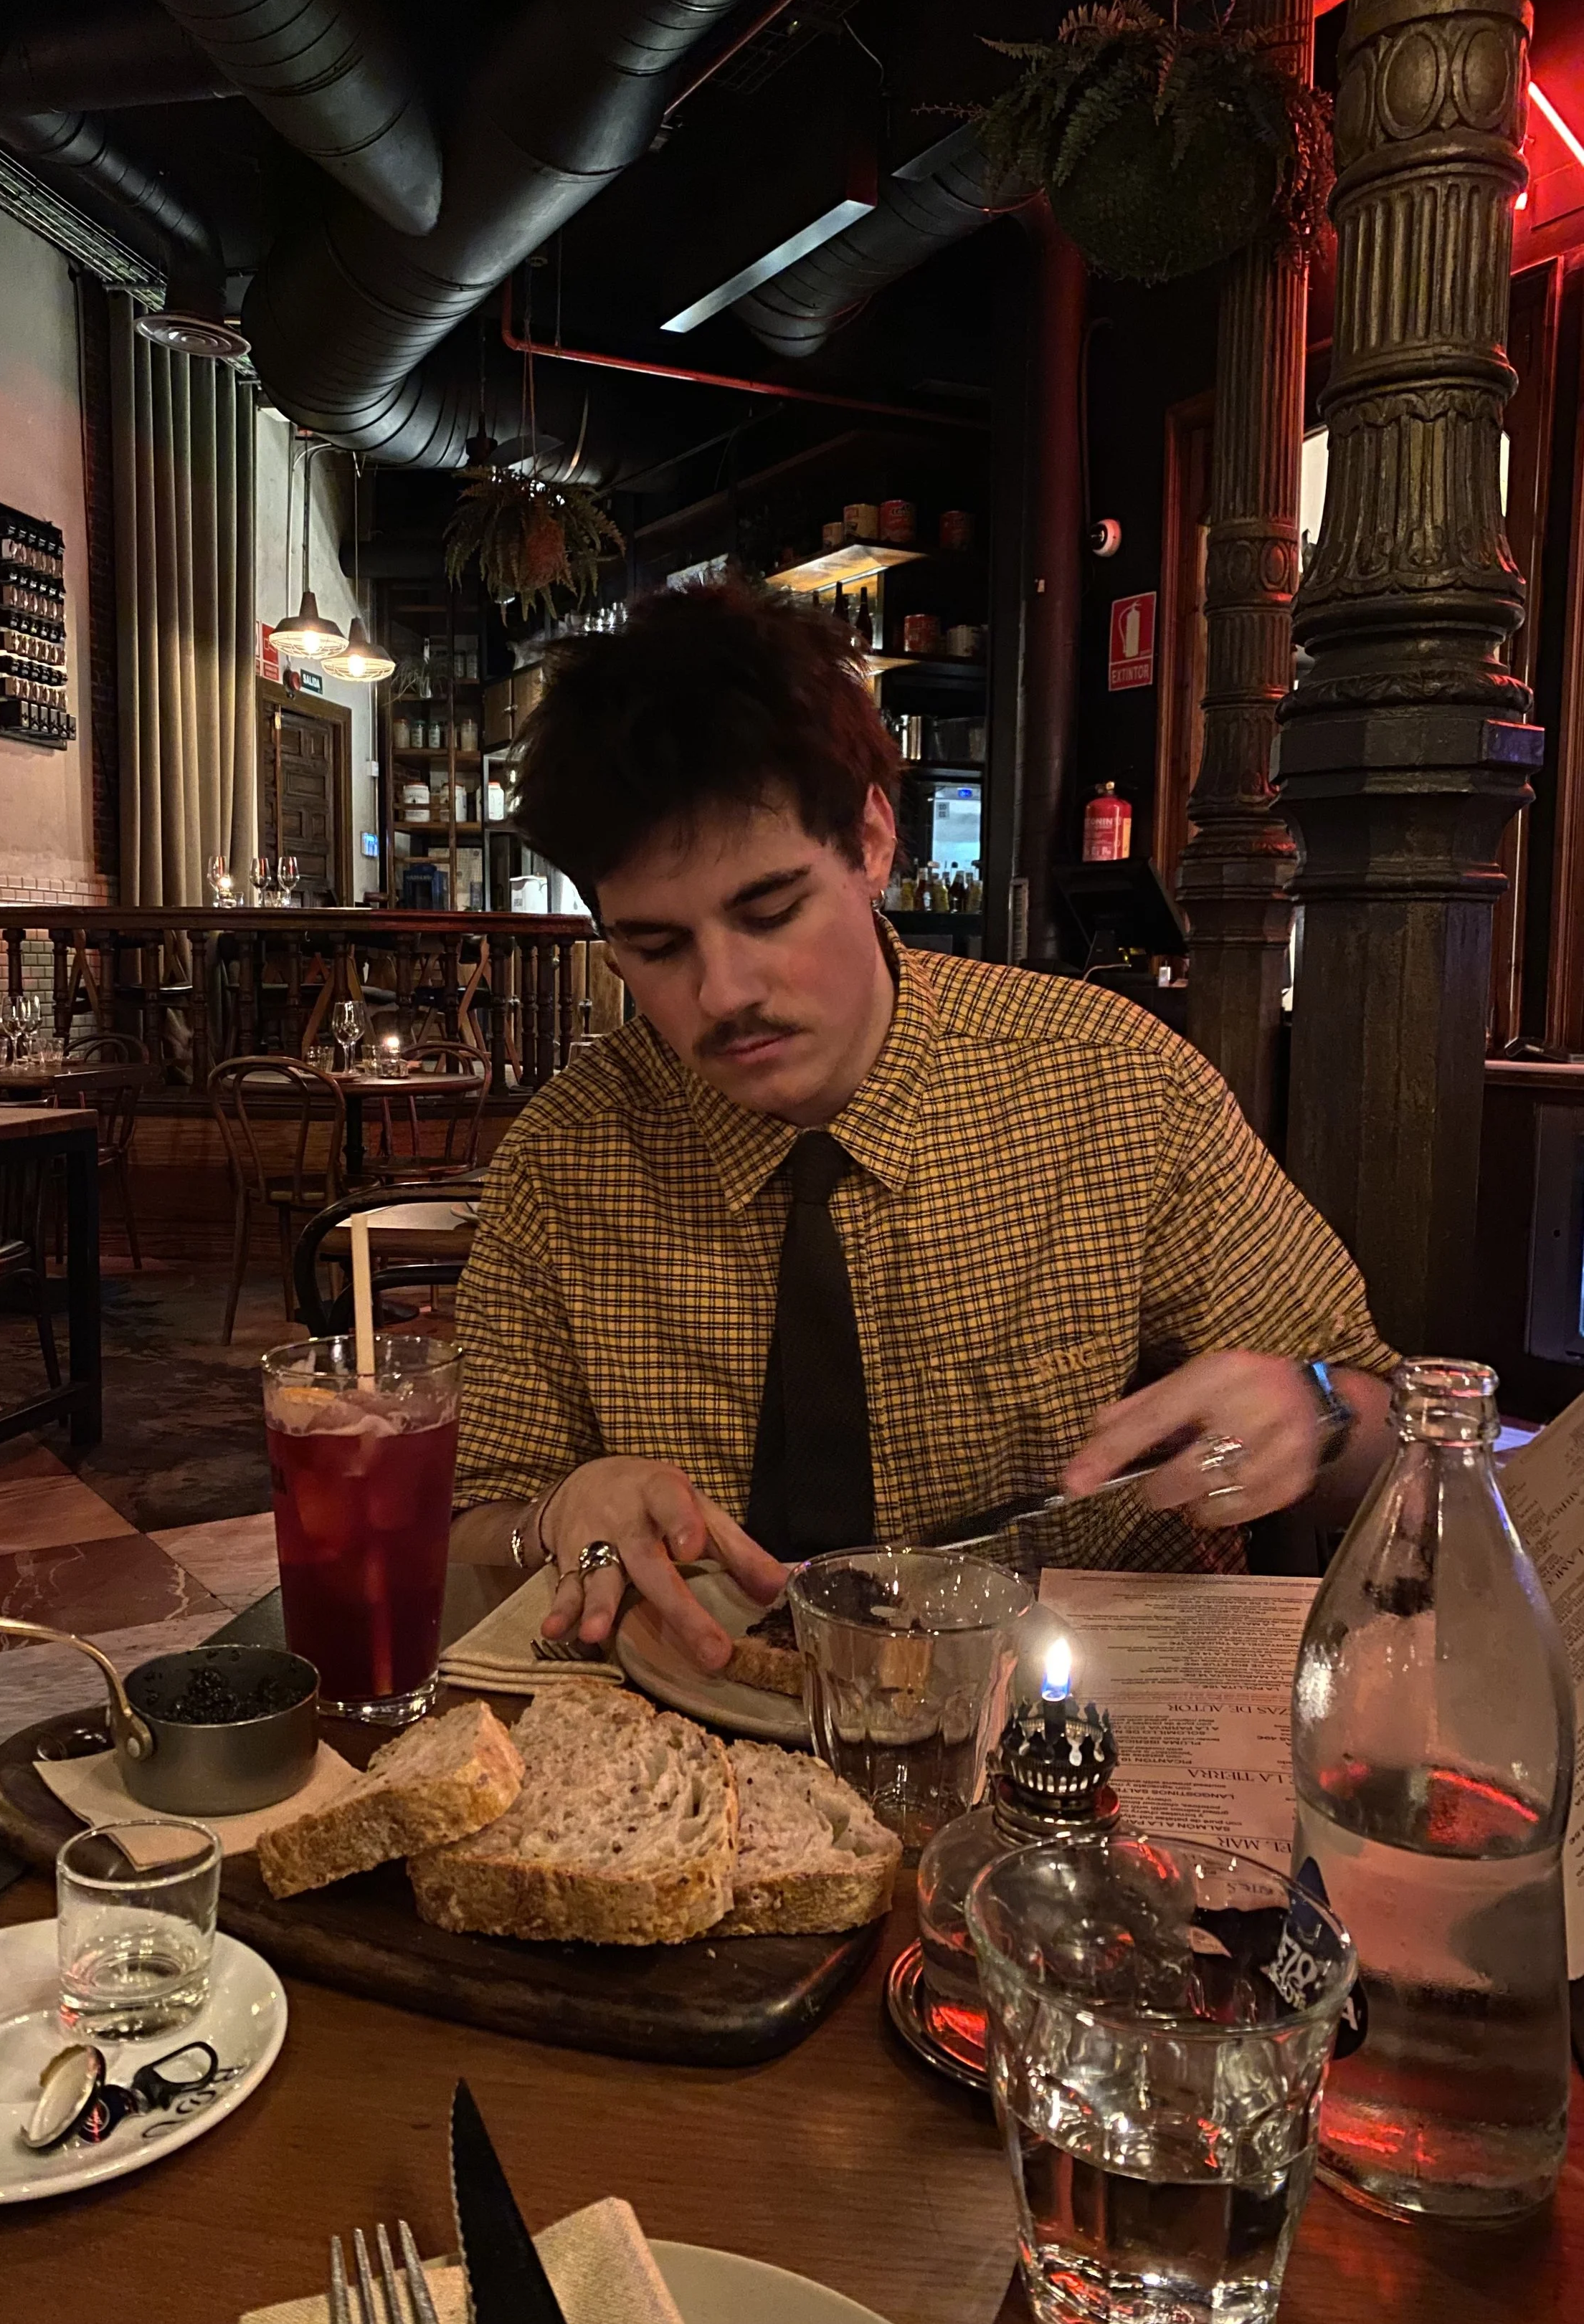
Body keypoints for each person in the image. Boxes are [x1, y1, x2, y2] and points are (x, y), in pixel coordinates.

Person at [448, 581, 1395, 1671]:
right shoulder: (566, 1157)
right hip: (695, 1750)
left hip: (1086, 1734)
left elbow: (1393, 1438)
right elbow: (471, 1521)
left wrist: (1312, 1411)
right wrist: (560, 1510)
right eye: (656, 946)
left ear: (872, 842)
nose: (723, 993)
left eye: (769, 912)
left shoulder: (1115, 1086)